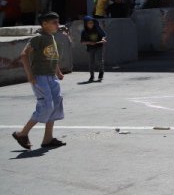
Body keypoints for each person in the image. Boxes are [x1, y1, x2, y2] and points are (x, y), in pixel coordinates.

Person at [11, 12, 67, 151]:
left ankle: (48, 139)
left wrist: (58, 72)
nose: (57, 25)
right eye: (54, 22)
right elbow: (24, 55)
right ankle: (22, 134)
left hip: (51, 77)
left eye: (57, 22)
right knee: (46, 106)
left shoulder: (51, 37)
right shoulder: (38, 37)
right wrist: (30, 75)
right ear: (44, 24)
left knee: (56, 104)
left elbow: (52, 57)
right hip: (40, 77)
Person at [79, 15, 107, 83]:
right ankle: (92, 76)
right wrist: (89, 42)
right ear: (86, 24)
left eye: (92, 22)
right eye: (89, 23)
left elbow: (103, 35)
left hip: (99, 46)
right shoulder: (84, 32)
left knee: (99, 60)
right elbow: (82, 42)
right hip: (90, 48)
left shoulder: (97, 28)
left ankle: (101, 72)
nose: (91, 24)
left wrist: (103, 39)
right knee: (91, 62)